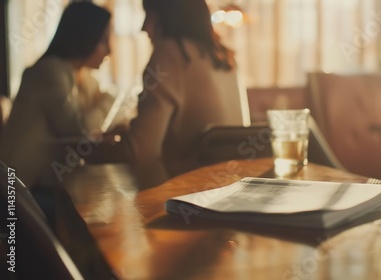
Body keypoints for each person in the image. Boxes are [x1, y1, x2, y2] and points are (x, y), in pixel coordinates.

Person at [123, 0, 250, 175]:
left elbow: (141, 151)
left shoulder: (169, 55)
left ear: (168, 17)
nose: (143, 28)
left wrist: (88, 150)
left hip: (187, 192)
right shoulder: (224, 57)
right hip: (231, 186)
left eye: (149, 16)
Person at [0, 2, 112, 188]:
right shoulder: (49, 72)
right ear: (85, 37)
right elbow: (80, 130)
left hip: (41, 184)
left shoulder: (78, 75)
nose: (110, 51)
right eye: (104, 40)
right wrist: (111, 99)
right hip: (18, 191)